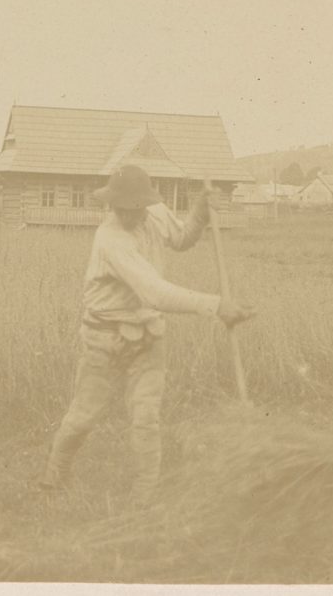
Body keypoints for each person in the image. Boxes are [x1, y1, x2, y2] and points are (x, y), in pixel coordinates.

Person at [39, 164, 254, 506]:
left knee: (146, 418)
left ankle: (144, 496)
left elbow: (181, 239)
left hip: (149, 337)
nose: (127, 214)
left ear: (144, 203)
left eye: (133, 207)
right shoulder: (111, 240)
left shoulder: (154, 213)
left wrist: (198, 214)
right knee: (84, 415)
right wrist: (216, 305)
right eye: (120, 208)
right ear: (111, 204)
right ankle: (55, 472)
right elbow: (154, 292)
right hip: (104, 339)